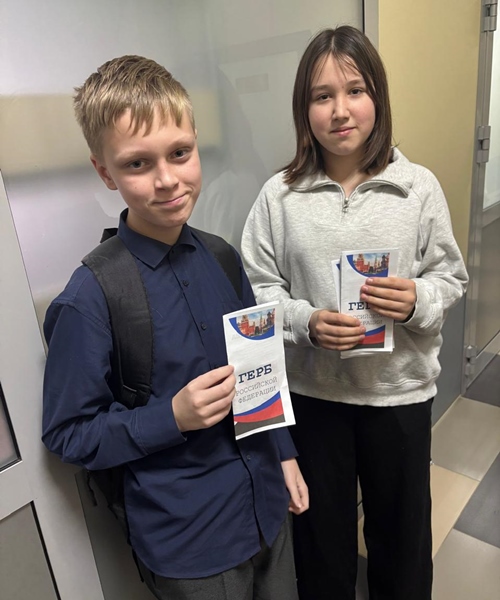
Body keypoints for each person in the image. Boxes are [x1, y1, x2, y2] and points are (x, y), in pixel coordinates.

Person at [42, 55, 308, 600]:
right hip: (190, 543)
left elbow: (259, 369)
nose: (167, 180)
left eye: (180, 153)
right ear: (105, 172)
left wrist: (283, 452)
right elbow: (68, 432)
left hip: (266, 505)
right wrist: (171, 417)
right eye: (138, 164)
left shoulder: (224, 258)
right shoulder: (92, 296)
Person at [241, 26, 468, 600]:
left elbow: (450, 278)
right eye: (322, 96)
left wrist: (417, 301)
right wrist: (304, 322)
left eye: (355, 90)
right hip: (313, 399)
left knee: (403, 540)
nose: (340, 110)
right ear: (304, 108)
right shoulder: (278, 196)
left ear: (378, 98)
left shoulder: (417, 188)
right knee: (322, 544)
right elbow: (258, 288)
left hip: (399, 397)